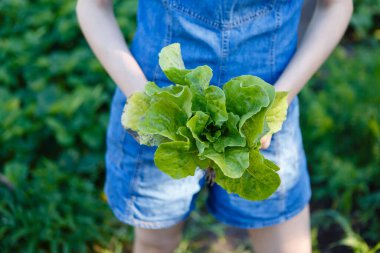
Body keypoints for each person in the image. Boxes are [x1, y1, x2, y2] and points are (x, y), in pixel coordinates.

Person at [76, 0, 353, 252]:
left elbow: (336, 7)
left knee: (286, 245)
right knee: (155, 243)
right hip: (163, 122)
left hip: (263, 124)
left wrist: (280, 99)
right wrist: (145, 100)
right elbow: (93, 7)